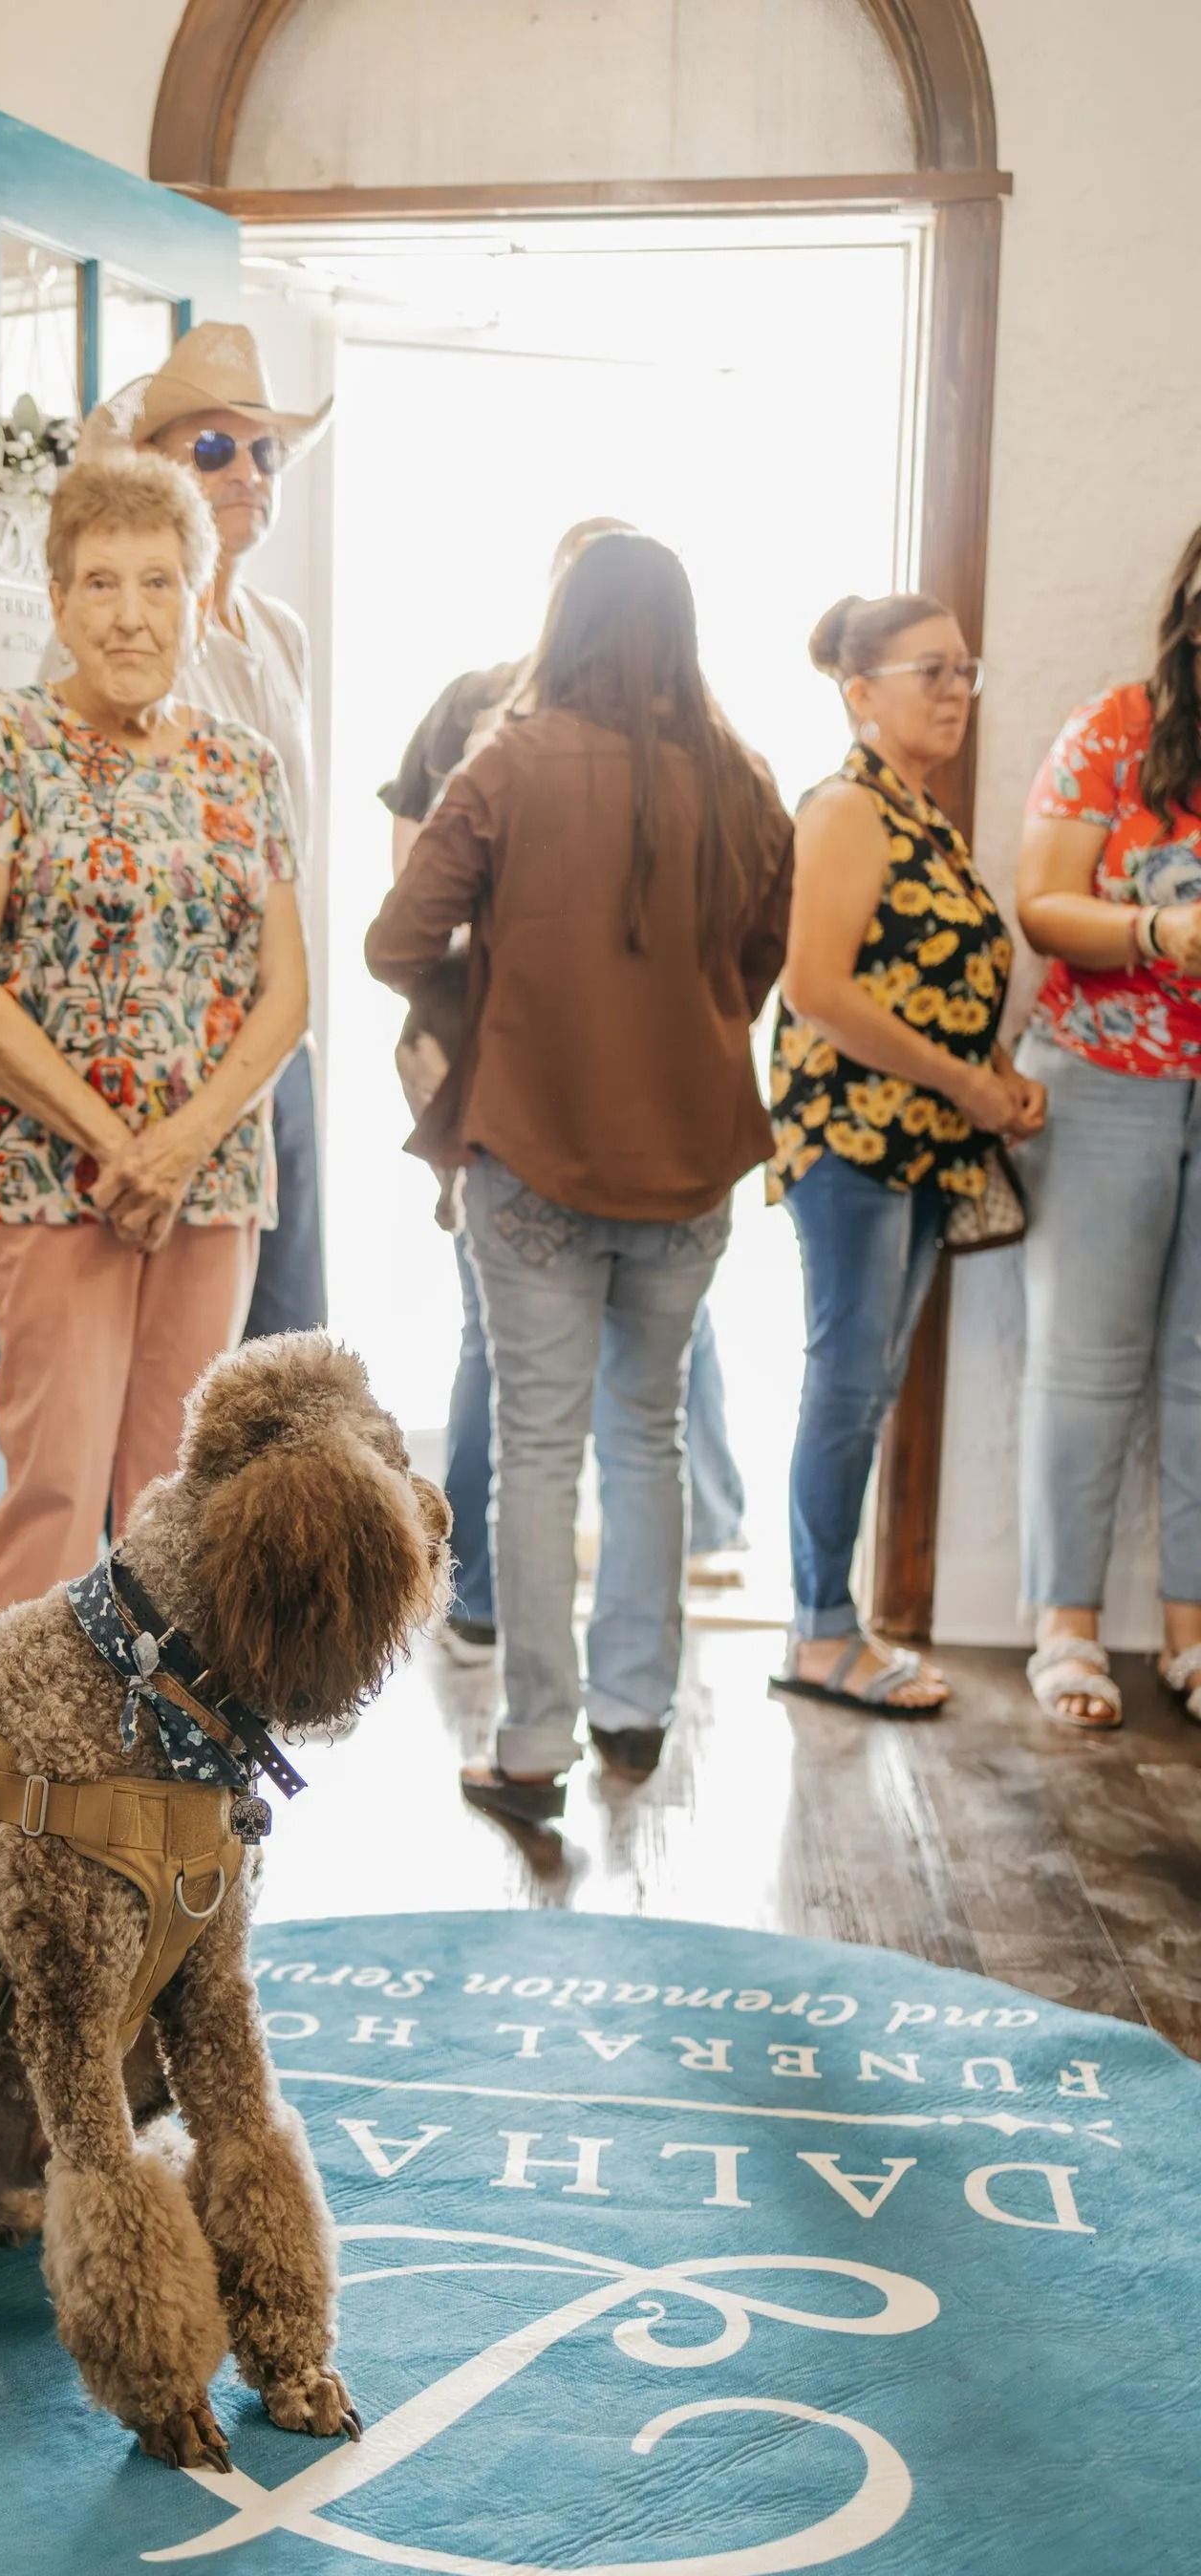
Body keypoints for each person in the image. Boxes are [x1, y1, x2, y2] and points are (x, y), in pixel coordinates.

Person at [367, 532, 793, 1812]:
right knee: (647, 1436)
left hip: (534, 1151)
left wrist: (490, 999)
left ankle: (533, 1749)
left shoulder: (511, 759)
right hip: (690, 1161)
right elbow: (761, 959)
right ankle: (634, 1719)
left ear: (565, 626)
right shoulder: (744, 778)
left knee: (540, 1450)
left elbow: (398, 939)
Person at [0, 454, 309, 1622]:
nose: (130, 613)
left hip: (214, 1177)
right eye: (99, 583)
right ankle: (20, 1791)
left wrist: (181, 1146)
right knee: (55, 1492)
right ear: (58, 604)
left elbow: (285, 993)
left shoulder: (244, 766)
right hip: (53, 1181)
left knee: (177, 1502)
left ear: (200, 598)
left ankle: (159, 1778)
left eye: (157, 581)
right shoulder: (7, 738)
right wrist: (114, 1145)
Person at [768, 590, 1043, 1719]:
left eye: (964, 671)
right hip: (854, 1141)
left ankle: (833, 1622)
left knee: (868, 1382)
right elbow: (818, 990)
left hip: (925, 1145)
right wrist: (972, 1082)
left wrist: (996, 1078)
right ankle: (820, 1630)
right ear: (860, 689)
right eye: (929, 671)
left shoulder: (922, 814)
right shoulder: (848, 807)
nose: (954, 693)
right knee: (847, 1379)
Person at [75, 322, 330, 1342]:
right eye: (214, 449)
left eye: (263, 450)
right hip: (168, 1030)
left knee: (290, 1345)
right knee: (171, 1367)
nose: (248, 472)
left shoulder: (280, 636)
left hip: (282, 1033)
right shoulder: (132, 640)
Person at [1011, 523, 1201, 1731]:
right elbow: (1041, 903)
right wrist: (1157, 936)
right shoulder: (1118, 729)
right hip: (1104, 1072)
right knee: (1086, 1367)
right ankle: (1066, 1629)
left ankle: (1190, 1631)